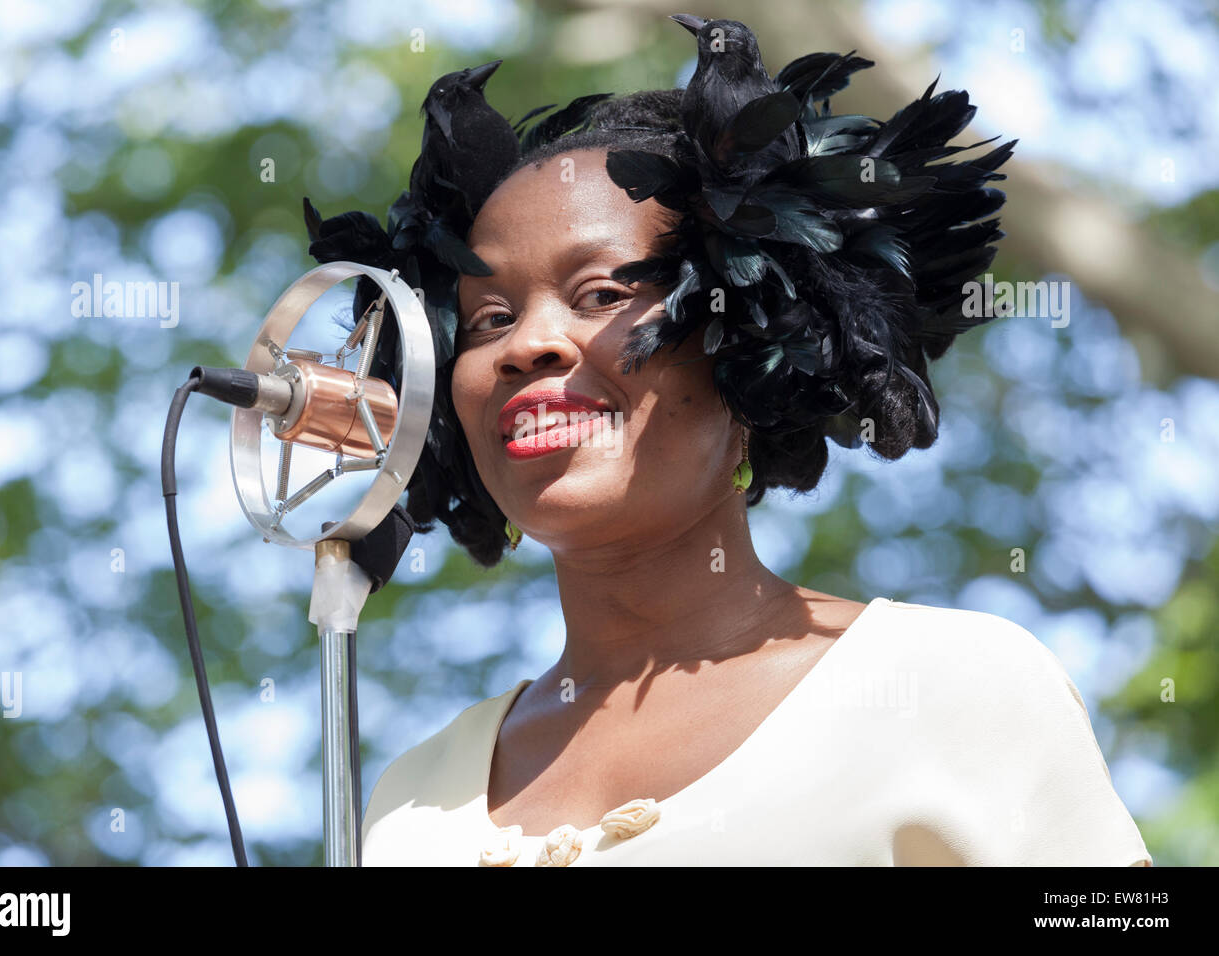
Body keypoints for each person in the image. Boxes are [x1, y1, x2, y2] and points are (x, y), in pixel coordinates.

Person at [304, 15, 1153, 867]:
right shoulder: (412, 803)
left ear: (748, 341)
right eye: (490, 318)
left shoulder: (954, 687)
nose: (529, 344)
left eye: (601, 293)